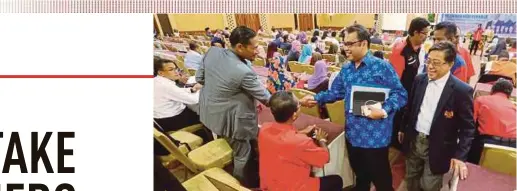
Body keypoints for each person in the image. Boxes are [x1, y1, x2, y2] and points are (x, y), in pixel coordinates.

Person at [300, 24, 408, 191]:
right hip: (353, 134)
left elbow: (400, 94)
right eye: (344, 43)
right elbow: (335, 92)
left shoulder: (382, 67)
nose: (345, 48)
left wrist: (384, 109)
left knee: (382, 179)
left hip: (375, 137)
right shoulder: (346, 68)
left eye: (350, 44)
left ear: (363, 43)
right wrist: (316, 98)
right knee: (361, 175)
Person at [195, 26, 271, 188]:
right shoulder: (243, 72)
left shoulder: (212, 52)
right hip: (231, 121)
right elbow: (267, 99)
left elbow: (199, 78)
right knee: (242, 154)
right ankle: (240, 184)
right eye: (255, 47)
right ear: (239, 47)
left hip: (210, 113)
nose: (258, 51)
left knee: (242, 145)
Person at [398, 41, 475, 191]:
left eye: (437, 63)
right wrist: (402, 128)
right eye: (429, 61)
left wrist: (460, 156)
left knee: (429, 184)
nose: (430, 66)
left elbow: (468, 128)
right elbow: (411, 108)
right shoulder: (420, 80)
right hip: (414, 139)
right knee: (411, 177)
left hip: (439, 146)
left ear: (450, 64)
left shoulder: (461, 90)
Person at [259, 91, 343, 191]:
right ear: (294, 115)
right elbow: (324, 158)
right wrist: (322, 140)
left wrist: (301, 132)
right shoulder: (301, 142)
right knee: (337, 180)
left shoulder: (264, 129)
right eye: (299, 105)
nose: (301, 105)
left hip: (269, 184)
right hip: (293, 187)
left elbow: (282, 138)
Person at [389, 17, 430, 149]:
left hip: (414, 91)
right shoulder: (401, 50)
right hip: (401, 94)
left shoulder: (421, 49)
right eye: (425, 33)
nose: (426, 37)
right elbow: (394, 79)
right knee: (398, 121)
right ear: (416, 32)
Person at [468, 79, 516, 164]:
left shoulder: (481, 100)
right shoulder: (514, 107)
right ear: (509, 94)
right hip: (513, 148)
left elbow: (469, 123)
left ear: (492, 89)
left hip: (487, 144)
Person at [153, 58, 203, 132]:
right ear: (161, 73)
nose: (176, 72)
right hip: (172, 120)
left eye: (176, 69)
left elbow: (176, 92)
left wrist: (192, 89)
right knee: (205, 115)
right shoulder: (166, 85)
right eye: (171, 70)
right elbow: (193, 100)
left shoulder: (157, 80)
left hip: (161, 119)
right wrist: (203, 91)